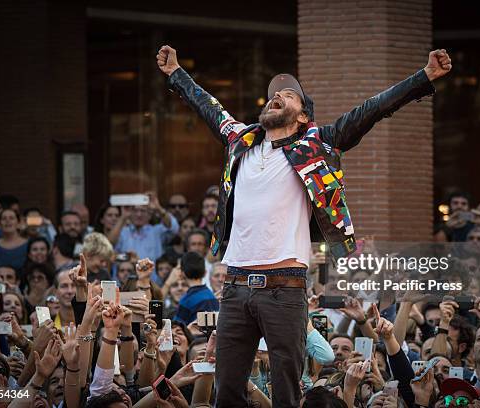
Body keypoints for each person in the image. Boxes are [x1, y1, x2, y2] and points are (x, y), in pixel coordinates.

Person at [157, 43, 451, 407]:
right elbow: (209, 107)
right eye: (273, 94)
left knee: (285, 389)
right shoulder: (240, 142)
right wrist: (176, 73)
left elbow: (371, 110)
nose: (276, 95)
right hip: (234, 287)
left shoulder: (317, 143)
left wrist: (423, 77)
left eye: (287, 94)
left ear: (302, 117)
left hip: (284, 288)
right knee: (226, 388)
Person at [109, 192, 179, 262]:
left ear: (149, 214)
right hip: (128, 272)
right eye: (135, 210)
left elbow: (174, 227)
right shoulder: (123, 232)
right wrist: (123, 217)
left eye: (143, 211)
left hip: (152, 273)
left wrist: (158, 208)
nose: (139, 214)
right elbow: (110, 247)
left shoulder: (157, 232)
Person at [173, 252, 219, 325]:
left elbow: (177, 327)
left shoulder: (186, 300)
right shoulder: (212, 296)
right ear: (205, 273)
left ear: (182, 273)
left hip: (193, 336)